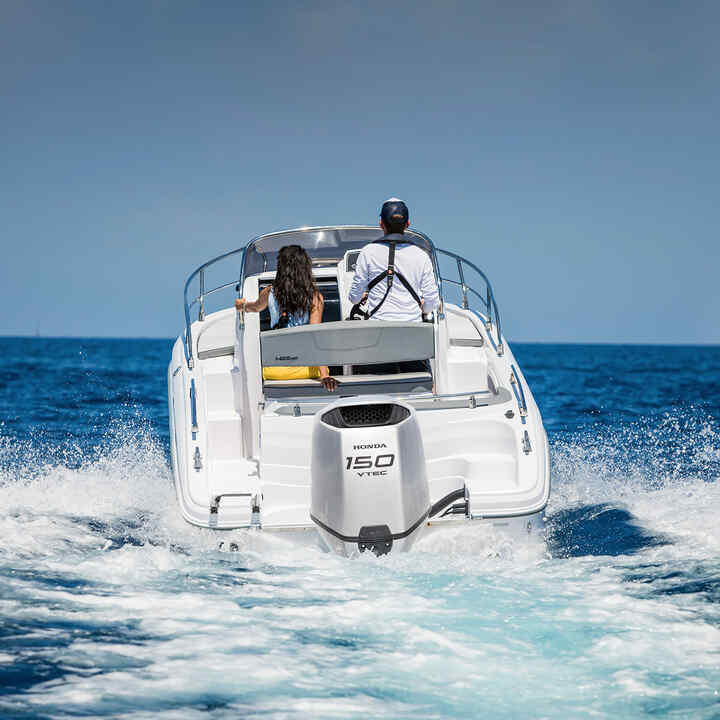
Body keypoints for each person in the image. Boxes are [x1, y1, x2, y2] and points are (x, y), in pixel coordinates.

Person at [348, 198, 440, 374]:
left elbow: (353, 297)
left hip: (378, 338)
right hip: (412, 337)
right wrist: (421, 306)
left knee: (375, 391)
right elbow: (432, 303)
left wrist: (365, 296)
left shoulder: (368, 252)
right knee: (419, 389)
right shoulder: (421, 256)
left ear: (381, 223)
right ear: (407, 224)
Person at [235, 245, 337, 392]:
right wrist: (324, 375)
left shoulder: (269, 292)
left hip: (275, 371)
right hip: (306, 370)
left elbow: (255, 307)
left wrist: (242, 306)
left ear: (281, 268)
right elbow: (316, 336)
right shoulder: (315, 297)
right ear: (305, 268)